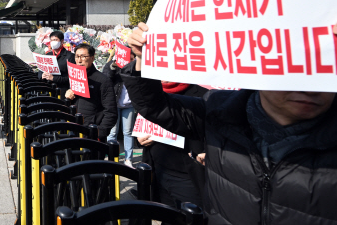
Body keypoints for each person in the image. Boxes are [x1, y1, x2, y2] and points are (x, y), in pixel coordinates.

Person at [123, 22, 337, 224]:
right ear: (259, 60)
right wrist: (144, 59)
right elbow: (154, 105)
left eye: (327, 68)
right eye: (297, 67)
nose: (313, 86)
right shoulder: (219, 110)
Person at [137, 81, 208, 211]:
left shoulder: (203, 94)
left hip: (188, 177)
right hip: (158, 171)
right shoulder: (150, 95)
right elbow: (141, 125)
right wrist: (139, 138)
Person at [64, 43, 117, 141]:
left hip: (93, 133)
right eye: (77, 56)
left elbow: (111, 112)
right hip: (75, 130)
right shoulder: (73, 77)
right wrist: (67, 97)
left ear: (92, 58)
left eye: (83, 57)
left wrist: (100, 132)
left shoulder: (102, 80)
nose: (79, 60)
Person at [102, 48, 137, 166]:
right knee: (112, 132)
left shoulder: (137, 68)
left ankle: (128, 159)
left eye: (132, 59)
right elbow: (106, 79)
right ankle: (111, 157)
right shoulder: (111, 65)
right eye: (128, 59)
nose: (130, 61)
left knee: (128, 132)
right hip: (114, 104)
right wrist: (113, 67)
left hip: (129, 105)